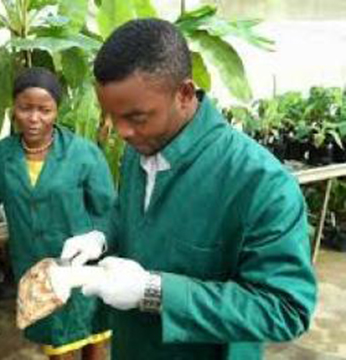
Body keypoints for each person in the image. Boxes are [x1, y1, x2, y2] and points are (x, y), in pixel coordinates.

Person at [60, 19, 317, 360]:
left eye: (136, 117)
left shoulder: (261, 183)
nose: (121, 132)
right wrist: (102, 237)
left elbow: (285, 309)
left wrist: (153, 291)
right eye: (112, 116)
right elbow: (131, 216)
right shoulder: (141, 148)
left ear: (184, 94)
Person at [0, 67, 115, 360]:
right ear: (13, 108)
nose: (34, 118)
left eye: (44, 110)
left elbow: (108, 208)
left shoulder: (83, 153)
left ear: (57, 110)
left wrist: (97, 240)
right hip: (37, 269)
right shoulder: (3, 155)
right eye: (25, 108)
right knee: (57, 344)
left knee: (93, 337)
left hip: (80, 265)